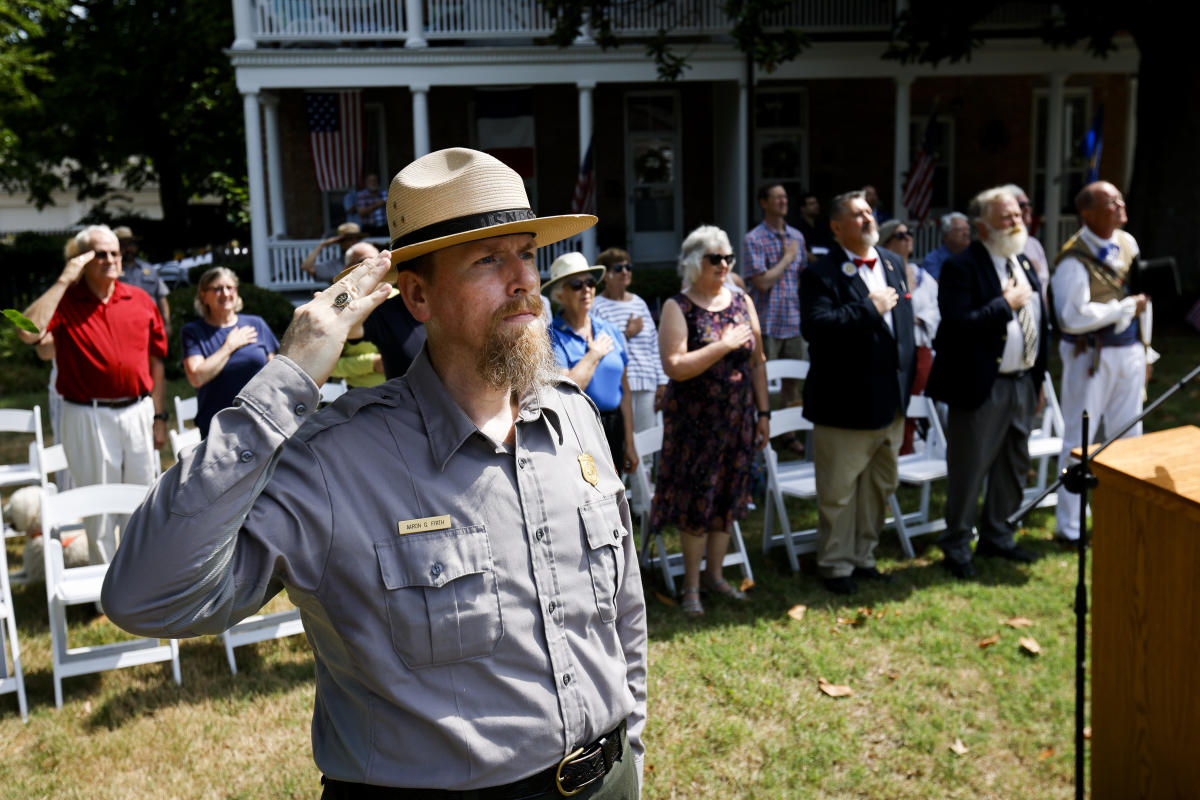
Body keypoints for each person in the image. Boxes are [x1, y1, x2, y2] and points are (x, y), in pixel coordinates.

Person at [101, 148, 646, 799]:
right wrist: (290, 376)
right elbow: (145, 595)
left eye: (525, 252)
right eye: (488, 260)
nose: (524, 280)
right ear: (417, 294)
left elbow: (623, 614)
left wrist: (631, 748)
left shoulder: (573, 418)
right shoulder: (336, 461)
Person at [16, 224, 168, 564]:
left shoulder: (140, 299)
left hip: (138, 411)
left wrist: (159, 416)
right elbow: (27, 333)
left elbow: (156, 360)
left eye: (115, 252)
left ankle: (141, 579)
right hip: (87, 415)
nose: (111, 259)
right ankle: (106, 589)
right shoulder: (66, 302)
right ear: (81, 259)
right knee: (99, 507)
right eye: (100, 253)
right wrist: (63, 280)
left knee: (142, 500)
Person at [926, 187, 1048, 578]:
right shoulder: (962, 267)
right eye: (1006, 217)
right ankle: (957, 545)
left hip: (1022, 383)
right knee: (970, 467)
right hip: (980, 386)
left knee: (1014, 464)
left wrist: (1039, 378)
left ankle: (999, 535)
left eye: (1018, 215)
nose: (1017, 222)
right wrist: (1004, 305)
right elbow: (956, 327)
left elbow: (1040, 325)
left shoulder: (1024, 262)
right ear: (982, 226)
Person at [800, 191, 915, 595]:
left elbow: (904, 331)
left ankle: (864, 556)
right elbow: (817, 328)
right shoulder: (821, 273)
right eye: (858, 214)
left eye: (870, 212)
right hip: (844, 405)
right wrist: (869, 307)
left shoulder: (892, 262)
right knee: (839, 492)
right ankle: (834, 565)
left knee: (879, 487)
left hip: (890, 404)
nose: (868, 219)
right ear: (836, 227)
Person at [652, 225, 770, 617]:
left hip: (738, 421)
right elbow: (675, 366)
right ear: (692, 262)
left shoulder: (741, 301)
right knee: (696, 503)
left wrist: (764, 412)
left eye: (728, 258)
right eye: (714, 258)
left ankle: (716, 576)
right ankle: (690, 586)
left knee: (728, 498)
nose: (724, 265)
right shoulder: (678, 306)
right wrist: (722, 345)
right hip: (695, 427)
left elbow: (757, 362)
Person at [1051, 180, 1155, 544]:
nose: (1120, 205)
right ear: (1088, 213)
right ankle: (1071, 526)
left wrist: (1147, 349)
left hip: (1128, 351)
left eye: (1119, 199)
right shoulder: (1072, 258)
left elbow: (1144, 298)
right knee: (1079, 438)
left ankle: (1123, 513)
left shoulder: (1128, 243)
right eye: (1111, 202)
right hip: (1089, 357)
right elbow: (1072, 316)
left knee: (1130, 434)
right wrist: (1123, 309)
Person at [545, 252, 639, 476]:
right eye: (576, 284)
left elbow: (624, 389)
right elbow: (565, 391)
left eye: (590, 282)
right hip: (580, 427)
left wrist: (629, 441)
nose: (586, 289)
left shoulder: (610, 330)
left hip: (615, 425)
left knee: (616, 494)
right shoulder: (552, 336)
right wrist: (594, 354)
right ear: (561, 294)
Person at [181, 267, 280, 437]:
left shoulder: (256, 324)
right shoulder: (193, 332)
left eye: (230, 287)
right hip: (218, 429)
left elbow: (276, 371)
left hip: (262, 422)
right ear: (204, 295)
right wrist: (230, 346)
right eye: (218, 289)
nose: (226, 294)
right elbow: (197, 377)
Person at [743, 184, 807, 443]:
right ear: (763, 203)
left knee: (793, 381)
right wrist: (787, 258)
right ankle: (763, 430)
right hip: (766, 322)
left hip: (793, 320)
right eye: (776, 197)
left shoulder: (797, 237)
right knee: (763, 380)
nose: (783, 201)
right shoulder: (754, 239)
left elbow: (801, 277)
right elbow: (762, 282)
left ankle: (789, 434)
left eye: (784, 196)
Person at [591, 247, 668, 432]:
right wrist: (626, 334)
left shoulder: (639, 303)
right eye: (618, 269)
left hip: (647, 383)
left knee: (647, 449)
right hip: (616, 386)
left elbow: (654, 344)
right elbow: (598, 346)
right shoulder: (596, 306)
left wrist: (663, 381)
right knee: (624, 445)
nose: (625, 272)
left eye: (628, 267)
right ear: (605, 275)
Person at [879, 220, 939, 455]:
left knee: (915, 398)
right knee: (894, 401)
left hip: (920, 345)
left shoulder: (923, 275)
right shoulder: (880, 274)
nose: (907, 238)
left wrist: (917, 318)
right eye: (900, 235)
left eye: (909, 234)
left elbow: (936, 308)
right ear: (887, 242)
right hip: (892, 349)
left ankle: (907, 448)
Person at [332, 241, 388, 388]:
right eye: (364, 262)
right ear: (346, 269)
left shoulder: (401, 299)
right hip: (362, 400)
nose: (372, 266)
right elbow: (329, 364)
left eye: (378, 260)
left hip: (409, 397)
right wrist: (371, 363)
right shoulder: (338, 308)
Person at [115, 225, 172, 336]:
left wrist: (167, 323)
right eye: (123, 245)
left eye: (130, 244)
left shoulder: (149, 269)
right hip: (124, 328)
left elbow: (161, 298)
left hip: (151, 326)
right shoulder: (112, 271)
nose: (128, 249)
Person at [1001, 183, 1050, 300]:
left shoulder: (1035, 244)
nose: (1027, 208)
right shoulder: (999, 246)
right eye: (1021, 205)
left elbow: (1044, 288)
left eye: (1029, 204)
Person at [299, 221, 366, 283]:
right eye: (350, 239)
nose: (355, 242)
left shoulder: (367, 260)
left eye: (358, 238)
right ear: (341, 243)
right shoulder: (334, 265)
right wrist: (322, 245)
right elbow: (306, 267)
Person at [921, 212, 970, 280]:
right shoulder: (933, 260)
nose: (966, 233)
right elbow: (937, 285)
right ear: (946, 236)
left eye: (967, 229)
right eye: (960, 230)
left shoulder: (975, 256)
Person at [796, 191, 833, 259]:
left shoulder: (823, 225)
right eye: (811, 204)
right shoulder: (797, 228)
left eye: (816, 203)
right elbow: (800, 250)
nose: (816, 206)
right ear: (803, 208)